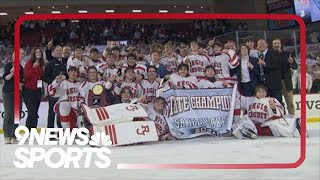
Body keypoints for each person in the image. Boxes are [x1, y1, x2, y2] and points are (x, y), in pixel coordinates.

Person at [232, 85, 300, 139]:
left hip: (266, 124)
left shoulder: (272, 99)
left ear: (266, 92)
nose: (262, 93)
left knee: (279, 123)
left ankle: (295, 128)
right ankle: (249, 133)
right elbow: (238, 97)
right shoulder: (249, 100)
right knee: (243, 119)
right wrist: (232, 87)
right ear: (256, 93)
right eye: (259, 92)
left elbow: (280, 113)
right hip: (253, 125)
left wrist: (273, 107)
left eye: (263, 92)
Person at [2, 49, 24, 144]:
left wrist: (21, 84)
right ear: (13, 56)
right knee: (9, 113)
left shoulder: (21, 67)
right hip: (8, 92)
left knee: (17, 114)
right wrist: (12, 73)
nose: (20, 56)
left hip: (17, 92)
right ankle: (7, 135)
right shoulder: (8, 65)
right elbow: (5, 78)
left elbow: (22, 81)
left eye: (22, 55)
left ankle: (14, 134)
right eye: (18, 54)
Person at [272, 39, 298, 115]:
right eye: (275, 43)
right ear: (272, 45)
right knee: (278, 102)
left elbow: (295, 67)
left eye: (278, 43)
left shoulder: (287, 54)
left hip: (286, 82)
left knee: (290, 102)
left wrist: (292, 62)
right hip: (275, 82)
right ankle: (281, 117)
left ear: (281, 44)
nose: (276, 45)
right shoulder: (270, 55)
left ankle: (292, 118)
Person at [43, 45, 67, 129]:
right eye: (57, 50)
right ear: (54, 52)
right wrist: (55, 80)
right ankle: (50, 131)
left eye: (60, 50)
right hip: (53, 91)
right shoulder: (50, 64)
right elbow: (45, 77)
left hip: (64, 91)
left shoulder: (66, 61)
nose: (59, 52)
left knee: (62, 111)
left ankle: (61, 130)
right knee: (52, 111)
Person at [23, 48, 44, 131]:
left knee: (35, 112)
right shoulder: (29, 63)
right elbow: (26, 76)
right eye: (36, 52)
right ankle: (28, 130)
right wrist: (33, 67)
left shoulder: (41, 64)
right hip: (28, 91)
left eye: (39, 52)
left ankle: (33, 130)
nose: (38, 53)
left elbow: (40, 78)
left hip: (37, 91)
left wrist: (40, 89)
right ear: (33, 54)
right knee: (32, 111)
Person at [257, 39, 283, 104]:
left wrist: (265, 64)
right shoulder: (259, 56)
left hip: (274, 85)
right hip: (264, 85)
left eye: (263, 43)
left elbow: (278, 65)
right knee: (267, 104)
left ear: (267, 45)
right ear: (257, 47)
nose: (261, 45)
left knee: (278, 103)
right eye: (259, 44)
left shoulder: (274, 53)